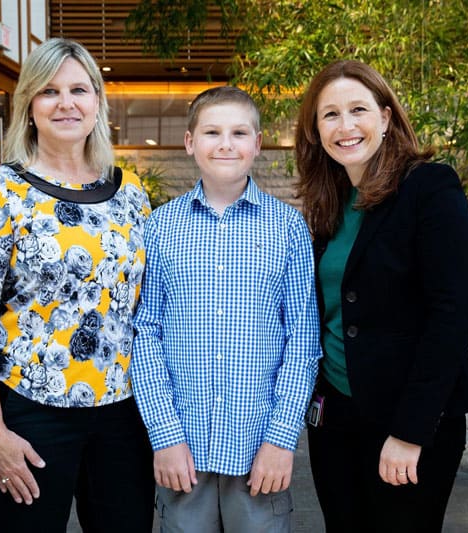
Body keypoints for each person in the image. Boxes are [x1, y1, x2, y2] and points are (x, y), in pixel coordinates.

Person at [0, 38, 154, 532]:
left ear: (97, 103)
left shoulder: (131, 193)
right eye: (49, 91)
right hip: (30, 413)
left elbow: (147, 305)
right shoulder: (1, 190)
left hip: (123, 416)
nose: (66, 103)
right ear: (29, 106)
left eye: (79, 89)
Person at [294, 59, 468, 532]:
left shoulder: (429, 187)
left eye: (358, 109)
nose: (346, 125)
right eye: (330, 115)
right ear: (316, 131)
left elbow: (451, 314)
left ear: (385, 116)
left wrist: (409, 431)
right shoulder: (328, 203)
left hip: (407, 420)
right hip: (335, 417)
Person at [130, 86, 321, 532]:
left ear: (257, 144)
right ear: (190, 142)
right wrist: (165, 435)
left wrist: (280, 439)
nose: (226, 143)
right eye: (212, 132)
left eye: (239, 132)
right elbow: (146, 332)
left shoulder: (288, 228)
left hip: (258, 452)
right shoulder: (160, 227)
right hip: (183, 453)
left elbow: (303, 340)